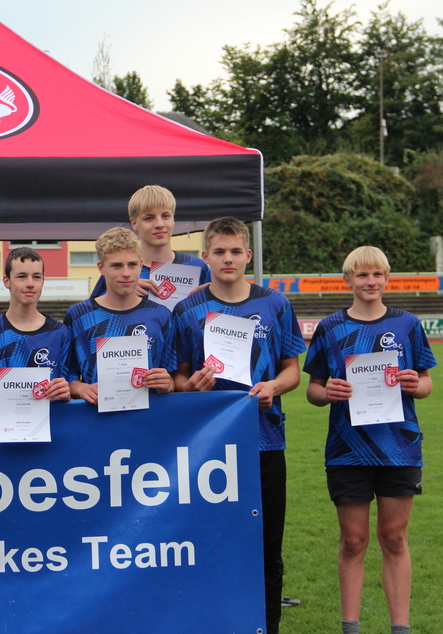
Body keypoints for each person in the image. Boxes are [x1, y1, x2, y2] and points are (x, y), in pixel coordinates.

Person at [171, 216, 305, 634]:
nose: (227, 259)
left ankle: (267, 626)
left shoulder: (275, 304)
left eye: (235, 252)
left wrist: (273, 387)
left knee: (267, 548)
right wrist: (190, 385)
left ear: (248, 255)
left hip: (263, 441)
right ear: (206, 256)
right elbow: (177, 377)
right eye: (219, 251)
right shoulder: (187, 308)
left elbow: (292, 370)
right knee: (208, 545)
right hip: (208, 449)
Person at [303, 246, 436, 634]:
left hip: (399, 445)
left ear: (387, 278)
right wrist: (329, 393)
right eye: (362, 276)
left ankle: (400, 628)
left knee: (394, 537)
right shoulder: (330, 328)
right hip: (347, 449)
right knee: (353, 539)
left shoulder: (407, 324)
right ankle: (351, 627)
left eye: (377, 275)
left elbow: (426, 383)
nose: (370, 282)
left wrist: (417, 383)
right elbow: (312, 388)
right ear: (348, 281)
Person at [66, 227, 175, 404]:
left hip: (147, 420)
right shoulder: (78, 315)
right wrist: (81, 388)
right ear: (101, 268)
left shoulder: (161, 315)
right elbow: (67, 376)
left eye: (132, 264)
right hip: (97, 419)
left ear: (140, 265)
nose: (126, 273)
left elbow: (174, 378)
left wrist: (167, 383)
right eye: (117, 265)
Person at [0, 247, 72, 401]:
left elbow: (68, 388)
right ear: (7, 281)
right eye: (22, 276)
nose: (30, 283)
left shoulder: (61, 334)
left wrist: (65, 394)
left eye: (36, 277)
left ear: (43, 281)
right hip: (3, 425)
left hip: (50, 424)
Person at [90, 184, 210, 299]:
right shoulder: (121, 272)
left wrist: (211, 297)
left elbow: (220, 309)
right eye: (149, 218)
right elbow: (93, 313)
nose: (159, 224)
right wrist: (122, 293)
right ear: (134, 224)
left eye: (165, 216)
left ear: (173, 219)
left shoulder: (197, 267)